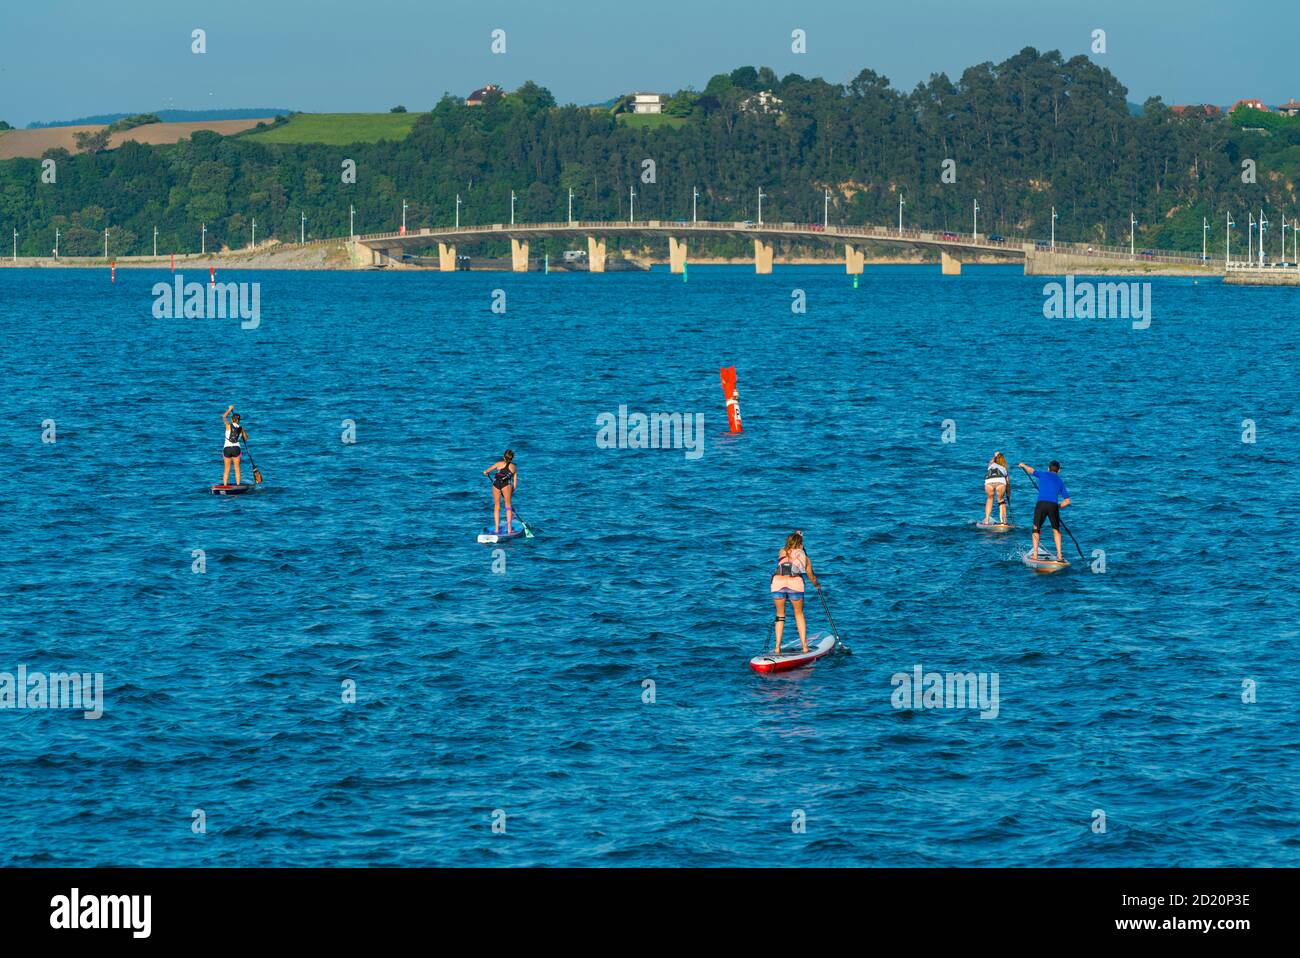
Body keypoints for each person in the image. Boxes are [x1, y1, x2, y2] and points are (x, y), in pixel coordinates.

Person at [769, 530, 820, 655]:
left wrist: (797, 536)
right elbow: (811, 577)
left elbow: (790, 549)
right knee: (799, 614)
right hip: (795, 584)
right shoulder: (806, 558)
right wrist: (817, 585)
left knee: (780, 615)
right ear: (801, 544)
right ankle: (804, 647)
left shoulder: (781, 552)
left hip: (777, 583)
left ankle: (777, 648)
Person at [1018, 460, 1071, 561]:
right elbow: (1067, 501)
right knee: (1056, 530)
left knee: (1036, 528)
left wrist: (1023, 465)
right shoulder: (1060, 481)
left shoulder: (1042, 474)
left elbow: (1031, 470)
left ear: (1048, 468)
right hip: (1053, 506)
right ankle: (1059, 555)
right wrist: (1058, 506)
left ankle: (1035, 555)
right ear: (1059, 471)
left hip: (1041, 504)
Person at [482, 450, 517, 534]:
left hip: (496, 484)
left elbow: (485, 471)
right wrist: (511, 491)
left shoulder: (498, 464)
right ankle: (509, 529)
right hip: (506, 485)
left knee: (497, 506)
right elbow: (515, 484)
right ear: (512, 458)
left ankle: (497, 529)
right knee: (508, 506)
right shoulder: (514, 467)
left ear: (503, 457)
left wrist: (486, 473)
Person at [221, 405, 248, 486]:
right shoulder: (241, 428)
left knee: (226, 469)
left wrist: (230, 409)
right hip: (236, 448)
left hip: (227, 449)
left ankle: (225, 485)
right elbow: (246, 439)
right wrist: (244, 431)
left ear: (232, 419)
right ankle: (238, 485)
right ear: (239, 420)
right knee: (237, 469)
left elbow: (224, 417)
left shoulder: (228, 425)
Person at [983, 451, 1010, 525]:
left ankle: (987, 520)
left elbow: (991, 461)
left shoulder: (991, 465)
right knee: (1001, 501)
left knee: (989, 499)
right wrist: (1008, 495)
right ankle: (1004, 521)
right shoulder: (1004, 468)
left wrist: (994, 456)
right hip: (1000, 482)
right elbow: (1008, 483)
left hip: (989, 481)